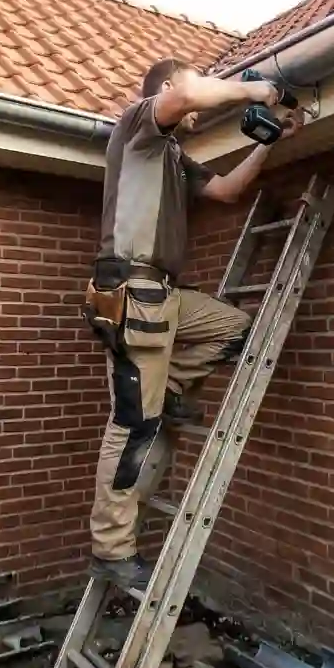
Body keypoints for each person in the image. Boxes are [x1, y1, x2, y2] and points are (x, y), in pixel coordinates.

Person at [81, 57, 304, 591]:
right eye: (188, 98)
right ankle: (110, 549)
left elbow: (226, 192)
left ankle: (173, 387)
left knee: (237, 329)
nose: (195, 116)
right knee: (133, 426)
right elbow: (184, 97)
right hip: (132, 294)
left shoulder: (173, 158)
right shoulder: (138, 127)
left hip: (164, 295)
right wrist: (254, 89)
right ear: (165, 90)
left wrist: (268, 141)